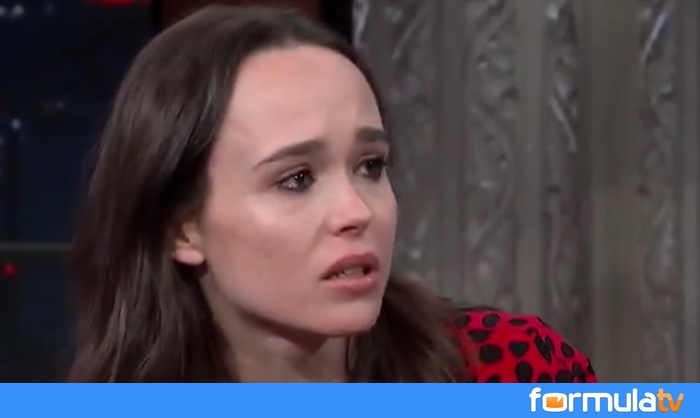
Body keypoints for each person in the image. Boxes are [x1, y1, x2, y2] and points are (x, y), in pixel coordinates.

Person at [67, 5, 597, 383]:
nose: (355, 211)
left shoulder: (514, 369)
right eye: (296, 179)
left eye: (370, 166)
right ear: (181, 228)